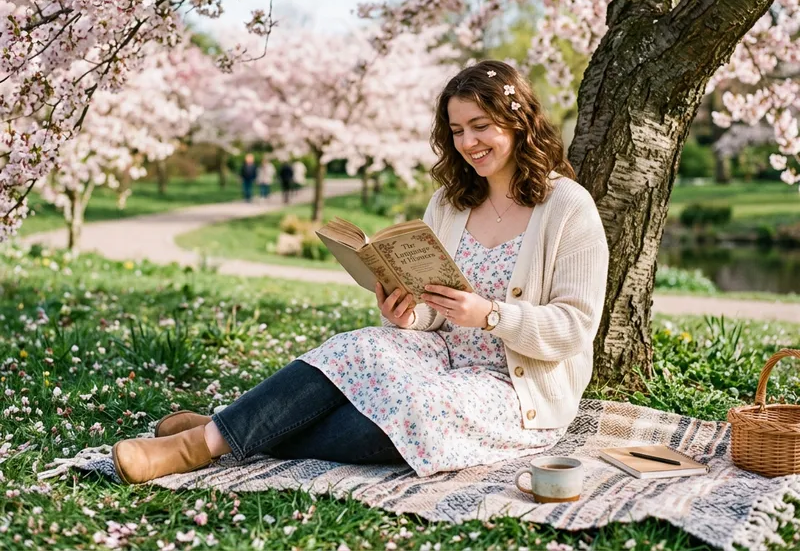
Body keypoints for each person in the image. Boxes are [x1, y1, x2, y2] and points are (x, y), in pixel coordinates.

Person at [111, 60, 609, 484]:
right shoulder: (452, 202)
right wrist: (410, 316)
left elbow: (575, 327)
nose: (467, 142)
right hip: (441, 355)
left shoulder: (567, 206)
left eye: (481, 126)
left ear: (518, 121)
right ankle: (212, 439)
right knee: (357, 347)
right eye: (457, 131)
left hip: (515, 389)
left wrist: (492, 316)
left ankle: (217, 434)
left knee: (416, 410)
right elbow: (436, 309)